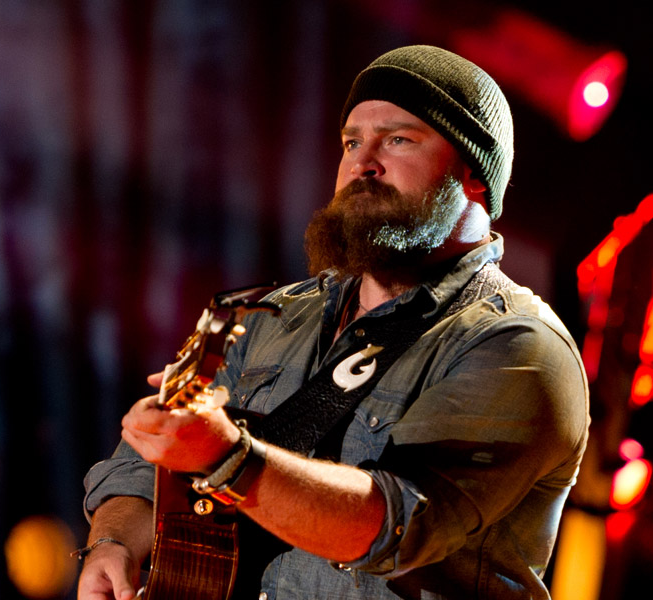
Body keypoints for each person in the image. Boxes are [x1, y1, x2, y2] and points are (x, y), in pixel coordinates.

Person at [78, 45, 589, 599]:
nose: (362, 162)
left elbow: (398, 527)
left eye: (398, 139)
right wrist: (115, 543)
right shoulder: (270, 315)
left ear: (474, 174)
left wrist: (228, 457)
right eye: (351, 141)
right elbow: (146, 465)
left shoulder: (519, 347)